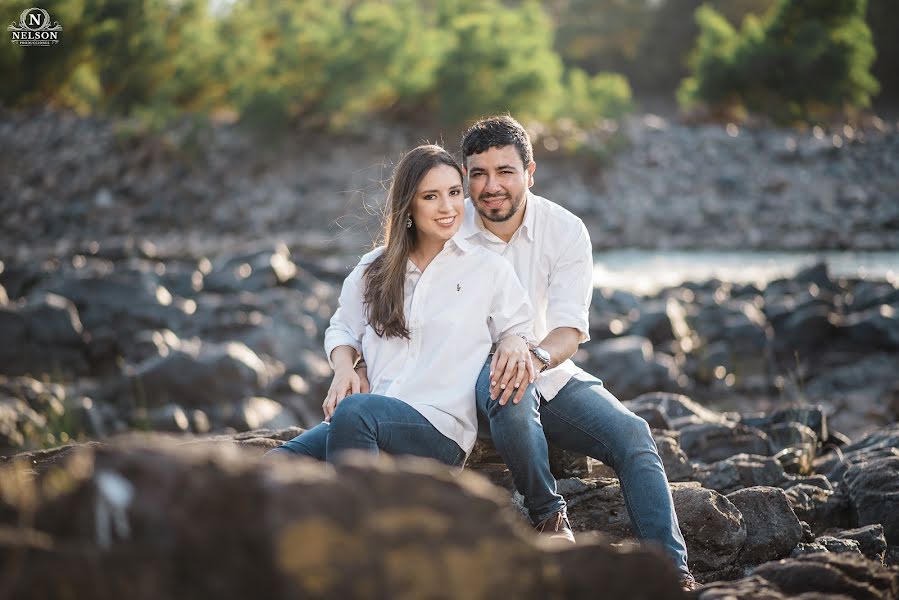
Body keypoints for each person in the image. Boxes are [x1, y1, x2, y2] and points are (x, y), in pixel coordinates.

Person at [455, 115, 698, 590]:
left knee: (633, 435)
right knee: (509, 387)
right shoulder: (448, 225)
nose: (491, 186)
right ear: (466, 177)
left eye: (505, 171)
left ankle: (673, 574)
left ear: (530, 172)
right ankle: (549, 515)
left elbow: (568, 330)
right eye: (478, 173)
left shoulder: (565, 230)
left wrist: (535, 357)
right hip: (465, 376)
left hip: (544, 367)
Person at [267, 144, 535, 467]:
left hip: (439, 429)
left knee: (354, 412)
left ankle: (359, 516)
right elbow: (342, 328)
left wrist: (513, 340)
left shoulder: (488, 269)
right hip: (372, 417)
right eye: (431, 196)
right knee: (273, 463)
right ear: (409, 205)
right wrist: (343, 371)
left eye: (453, 192)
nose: (448, 207)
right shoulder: (374, 268)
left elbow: (521, 330)